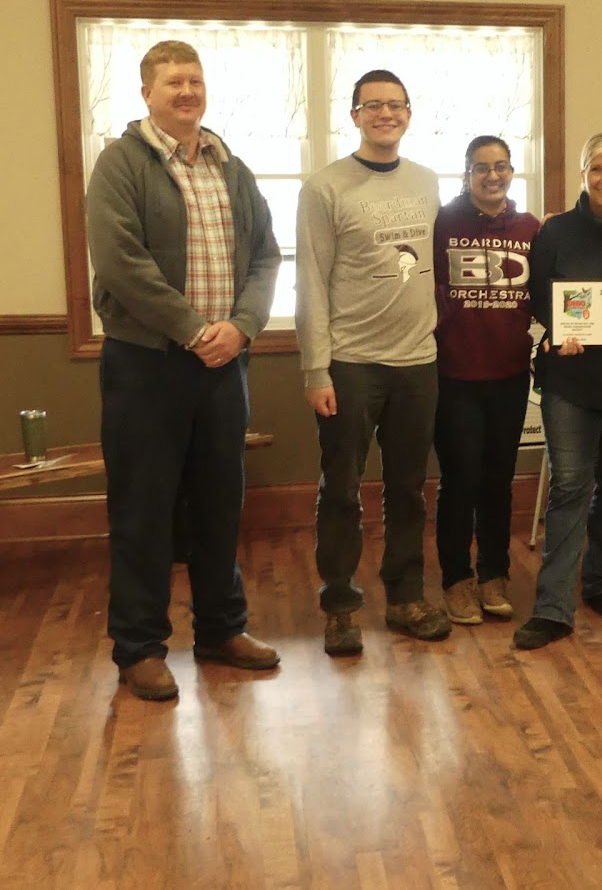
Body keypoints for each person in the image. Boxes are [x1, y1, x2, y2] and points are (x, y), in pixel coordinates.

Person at [85, 40, 281, 701]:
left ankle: (221, 629)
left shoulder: (231, 167)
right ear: (147, 92)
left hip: (225, 364)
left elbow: (265, 259)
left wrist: (241, 327)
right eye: (174, 82)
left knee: (220, 504)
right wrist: (195, 329)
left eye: (195, 80)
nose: (188, 92)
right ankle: (139, 646)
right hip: (147, 364)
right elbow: (121, 263)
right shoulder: (121, 164)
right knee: (144, 509)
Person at [295, 69, 450, 656]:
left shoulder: (427, 182)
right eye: (373, 105)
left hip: (418, 361)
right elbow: (309, 279)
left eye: (396, 105)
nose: (386, 114)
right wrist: (316, 369)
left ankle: (406, 596)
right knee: (341, 488)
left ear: (408, 113)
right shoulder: (325, 188)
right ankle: (340, 603)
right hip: (351, 364)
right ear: (354, 114)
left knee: (409, 488)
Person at [513, 132, 602, 650]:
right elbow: (538, 299)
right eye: (596, 169)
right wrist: (560, 326)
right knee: (571, 486)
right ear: (582, 174)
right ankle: (553, 607)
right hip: (569, 380)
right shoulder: (556, 231)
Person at [433, 135, 540, 624]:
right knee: (459, 481)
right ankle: (456, 579)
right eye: (481, 168)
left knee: (498, 481)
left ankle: (494, 573)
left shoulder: (529, 229)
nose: (492, 176)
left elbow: (548, 295)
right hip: (454, 375)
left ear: (511, 172)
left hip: (510, 374)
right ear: (466, 173)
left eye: (500, 167)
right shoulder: (442, 224)